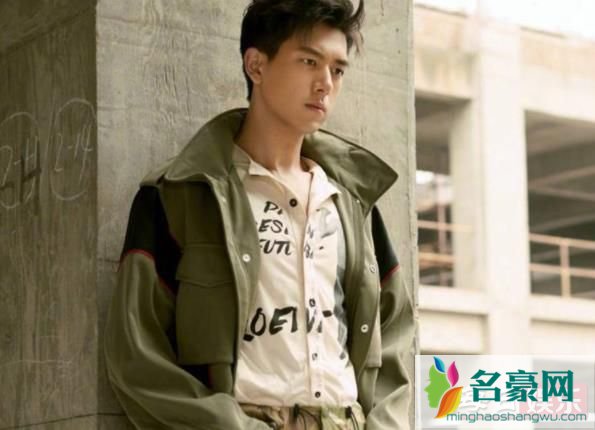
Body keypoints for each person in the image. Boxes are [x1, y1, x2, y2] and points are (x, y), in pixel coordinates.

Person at [104, 0, 415, 429]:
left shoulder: (353, 204)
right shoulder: (180, 196)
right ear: (256, 65)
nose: (325, 84)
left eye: (338, 70)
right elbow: (136, 355)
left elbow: (395, 334)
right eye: (309, 62)